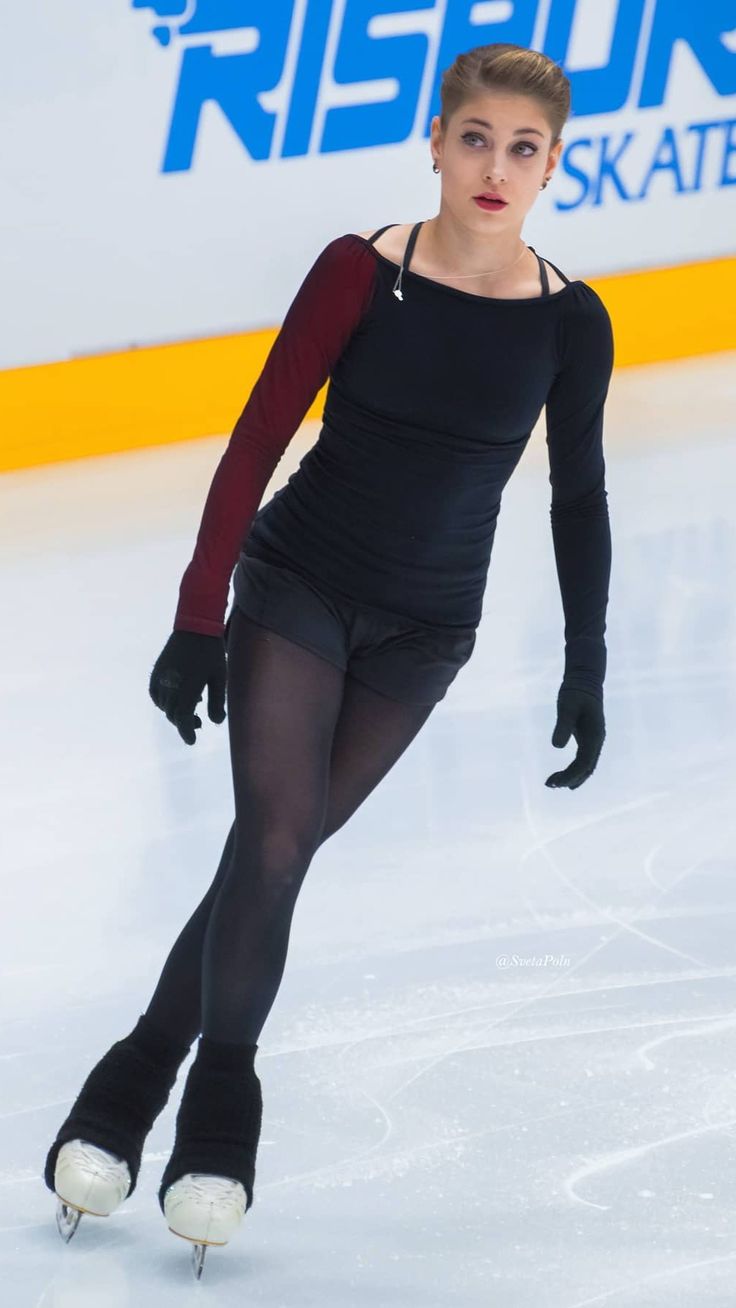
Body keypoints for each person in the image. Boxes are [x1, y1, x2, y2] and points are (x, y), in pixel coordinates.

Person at [43, 41, 613, 1273]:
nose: (496, 168)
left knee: (273, 853)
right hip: (299, 585)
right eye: (476, 139)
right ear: (436, 139)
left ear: (554, 163)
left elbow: (579, 498)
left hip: (424, 632)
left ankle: (134, 1068)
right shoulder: (359, 274)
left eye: (524, 149)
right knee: (276, 840)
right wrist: (201, 616)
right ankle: (218, 1118)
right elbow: (256, 436)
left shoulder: (570, 324)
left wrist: (588, 661)